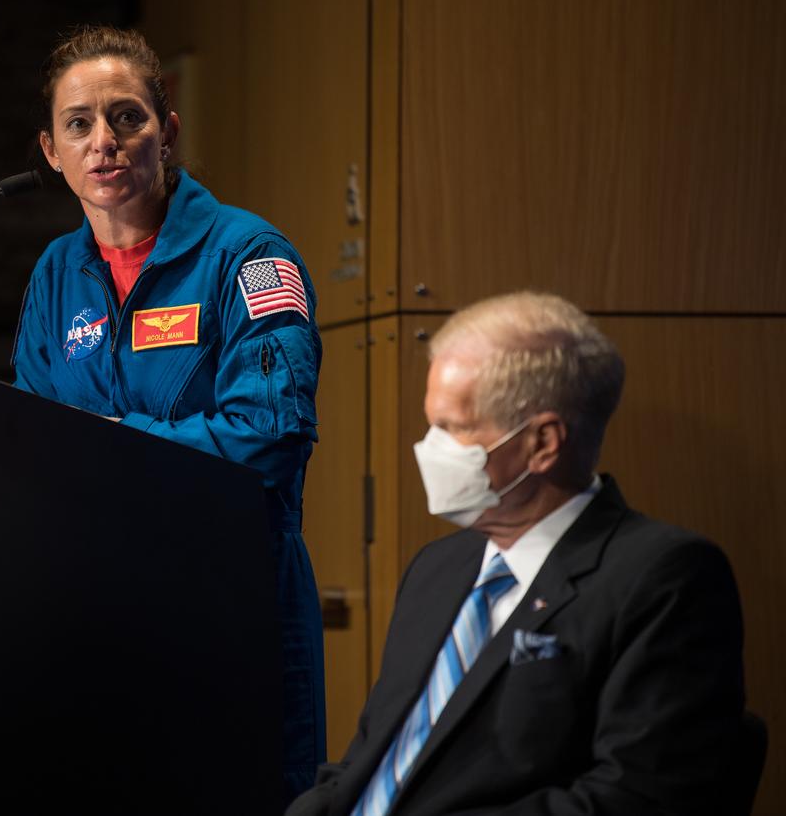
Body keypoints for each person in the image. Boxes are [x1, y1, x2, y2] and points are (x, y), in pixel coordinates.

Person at [11, 24, 325, 803]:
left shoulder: (248, 255)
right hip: (94, 613)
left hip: (231, 609)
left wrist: (120, 447)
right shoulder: (55, 274)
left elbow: (271, 436)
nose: (104, 142)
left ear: (168, 132)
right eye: (78, 124)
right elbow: (23, 445)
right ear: (51, 150)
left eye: (127, 117)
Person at [288, 291, 745, 816]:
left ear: (542, 443)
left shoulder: (665, 578)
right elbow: (368, 763)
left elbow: (634, 798)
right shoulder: (437, 569)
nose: (428, 448)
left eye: (453, 429)